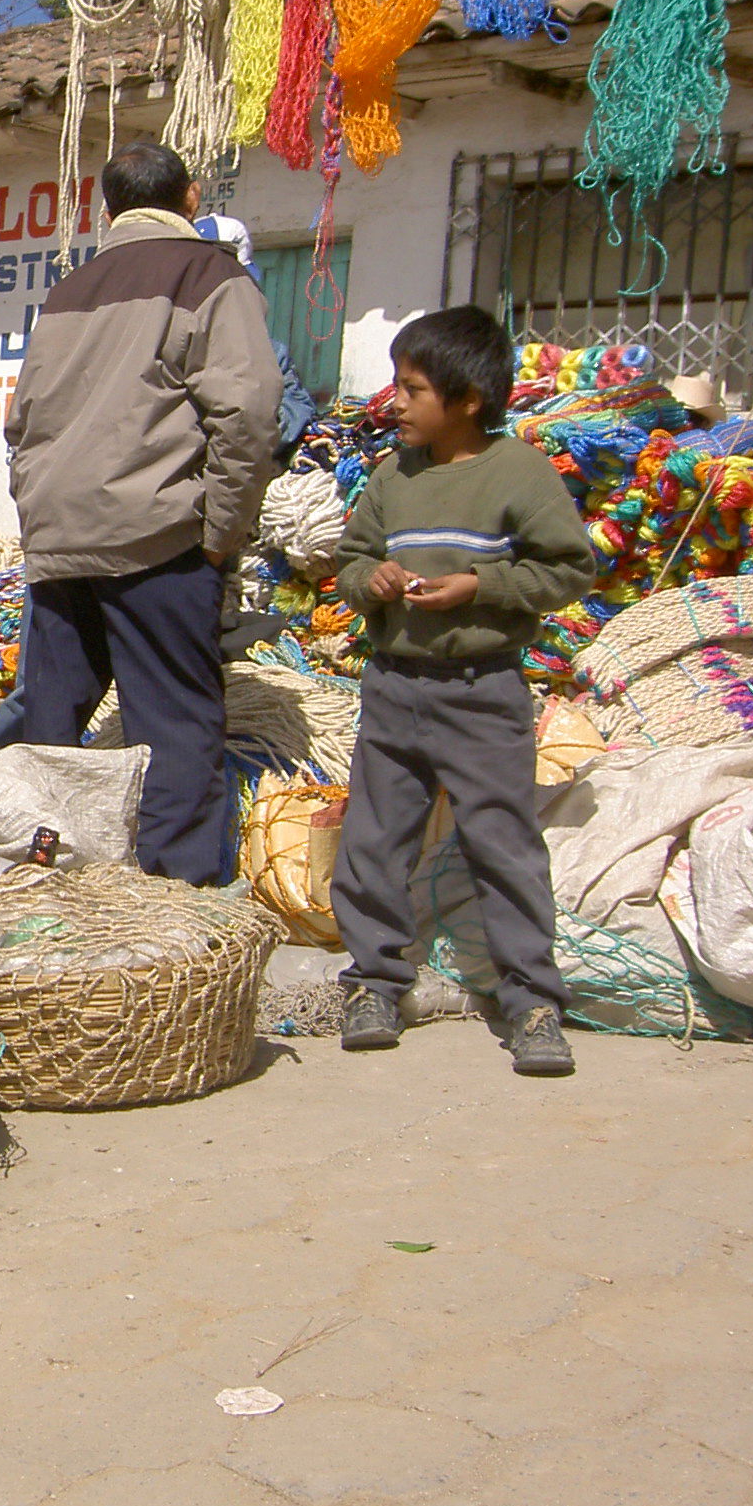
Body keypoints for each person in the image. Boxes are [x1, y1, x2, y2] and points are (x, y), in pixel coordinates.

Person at [327, 306, 597, 1078]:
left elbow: (568, 569)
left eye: (413, 389)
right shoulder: (391, 477)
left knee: (503, 847)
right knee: (374, 842)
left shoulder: (518, 474)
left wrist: (480, 587)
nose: (396, 401)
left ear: (469, 398)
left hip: (483, 695)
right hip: (394, 690)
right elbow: (351, 560)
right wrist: (369, 582)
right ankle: (374, 984)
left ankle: (534, 1004)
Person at [2, 141, 279, 886]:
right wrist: (221, 535)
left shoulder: (69, 290)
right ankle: (174, 901)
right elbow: (250, 414)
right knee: (177, 728)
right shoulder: (210, 274)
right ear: (192, 199)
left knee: (51, 731)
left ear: (107, 210)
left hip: (60, 538)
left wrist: (39, 512)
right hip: (157, 539)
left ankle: (38, 885)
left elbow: (20, 423)